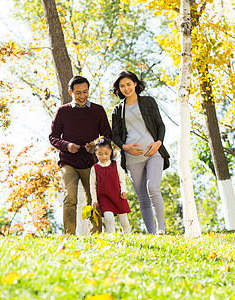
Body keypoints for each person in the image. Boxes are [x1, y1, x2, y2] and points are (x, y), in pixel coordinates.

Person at [49, 76, 111, 235]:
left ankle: (96, 236)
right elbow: (53, 137)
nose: (82, 96)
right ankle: (69, 236)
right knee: (70, 198)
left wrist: (95, 145)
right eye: (78, 93)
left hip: (90, 163)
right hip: (68, 162)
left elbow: (107, 135)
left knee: (93, 200)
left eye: (85, 92)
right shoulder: (63, 111)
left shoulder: (98, 110)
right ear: (70, 92)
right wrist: (67, 146)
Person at [111, 70, 170, 235]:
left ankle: (161, 229)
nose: (126, 88)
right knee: (142, 197)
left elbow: (160, 125)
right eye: (122, 86)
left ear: (135, 84)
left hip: (153, 153)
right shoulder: (117, 110)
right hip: (132, 158)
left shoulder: (148, 102)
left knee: (153, 188)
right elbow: (114, 135)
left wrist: (158, 143)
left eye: (129, 84)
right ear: (119, 89)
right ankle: (151, 233)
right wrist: (125, 147)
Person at [90, 137, 131, 234]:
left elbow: (122, 179)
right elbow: (92, 185)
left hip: (118, 196)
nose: (103, 156)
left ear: (110, 152)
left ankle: (128, 236)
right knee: (108, 218)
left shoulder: (115, 164)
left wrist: (123, 191)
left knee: (124, 221)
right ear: (96, 153)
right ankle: (111, 237)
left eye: (106, 154)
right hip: (104, 198)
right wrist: (94, 200)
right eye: (100, 154)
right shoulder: (95, 168)